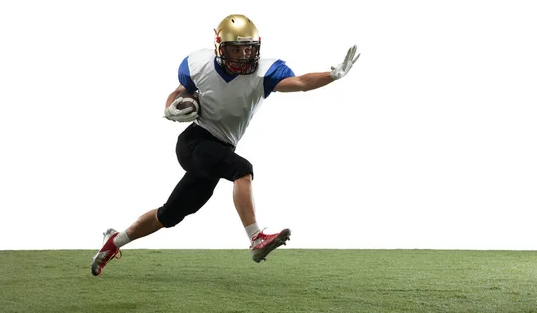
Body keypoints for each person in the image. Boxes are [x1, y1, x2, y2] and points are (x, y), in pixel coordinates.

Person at [91, 14, 360, 276]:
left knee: (169, 215)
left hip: (219, 151)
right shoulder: (199, 64)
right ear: (220, 46)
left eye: (248, 48)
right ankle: (256, 238)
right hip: (195, 141)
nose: (243, 55)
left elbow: (300, 82)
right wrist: (170, 106)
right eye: (237, 48)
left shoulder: (264, 72)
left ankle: (114, 241)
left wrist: (332, 75)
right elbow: (181, 90)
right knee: (242, 169)